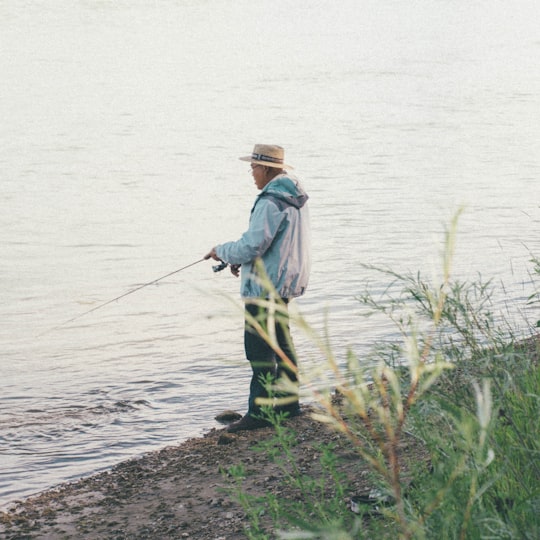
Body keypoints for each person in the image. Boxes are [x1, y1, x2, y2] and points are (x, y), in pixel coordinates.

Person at [204, 144, 311, 432]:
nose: (251, 173)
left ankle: (260, 413)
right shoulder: (293, 196)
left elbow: (253, 244)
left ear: (264, 168)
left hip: (265, 287)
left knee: (259, 349)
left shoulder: (270, 200)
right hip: (284, 281)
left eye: (253, 167)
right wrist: (241, 262)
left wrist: (222, 251)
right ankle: (289, 406)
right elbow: (273, 245)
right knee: (282, 344)